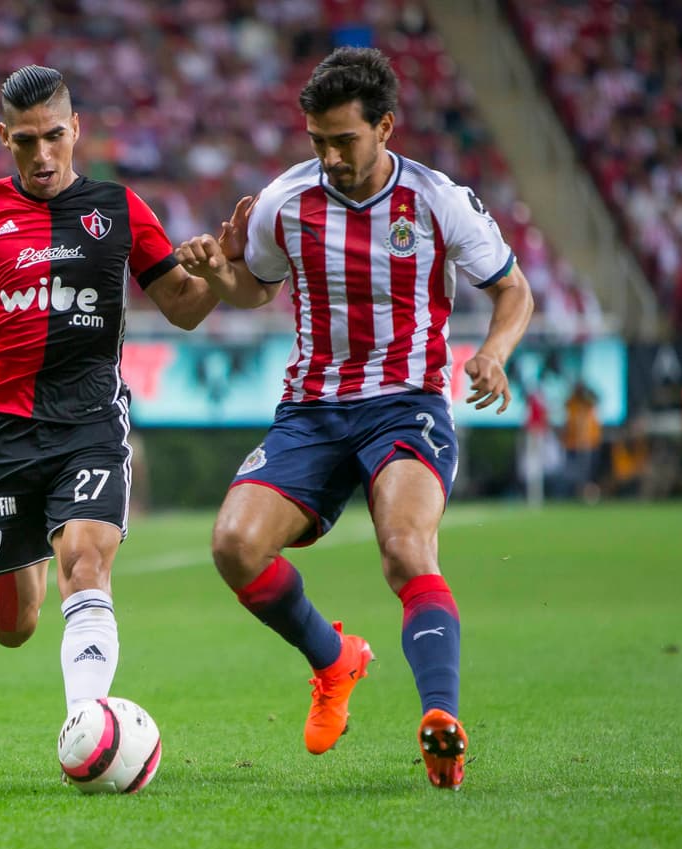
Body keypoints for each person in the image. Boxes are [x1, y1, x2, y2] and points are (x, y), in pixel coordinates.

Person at [175, 48, 534, 790]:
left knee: (406, 549)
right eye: (318, 141)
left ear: (386, 127)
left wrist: (494, 353)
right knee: (234, 546)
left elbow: (514, 291)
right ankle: (334, 660)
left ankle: (442, 722)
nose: (331, 156)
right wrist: (219, 273)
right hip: (310, 408)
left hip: (405, 404)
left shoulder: (438, 200)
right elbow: (254, 291)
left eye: (345, 140)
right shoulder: (283, 201)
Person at [0, 65, 220, 716]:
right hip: (5, 427)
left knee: (85, 564)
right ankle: (16, 566)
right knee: (14, 625)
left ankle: (87, 724)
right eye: (25, 140)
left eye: (53, 135)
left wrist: (218, 277)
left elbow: (184, 307)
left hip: (89, 420)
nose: (41, 153)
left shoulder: (119, 210)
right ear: (5, 138)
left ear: (76, 129)